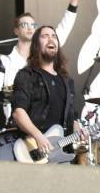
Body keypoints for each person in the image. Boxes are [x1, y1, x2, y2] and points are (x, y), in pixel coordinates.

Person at [0, 0, 86, 92]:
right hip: (15, 107)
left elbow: (64, 27)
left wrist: (75, 0)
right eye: (25, 25)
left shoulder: (42, 53)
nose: (30, 28)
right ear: (16, 31)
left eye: (33, 25)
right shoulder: (5, 60)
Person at [10, 26, 86, 157]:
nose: (51, 39)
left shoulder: (67, 81)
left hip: (61, 152)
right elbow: (18, 113)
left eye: (54, 36)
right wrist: (38, 136)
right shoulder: (27, 75)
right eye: (45, 36)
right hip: (33, 149)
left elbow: (71, 118)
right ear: (36, 45)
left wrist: (78, 131)